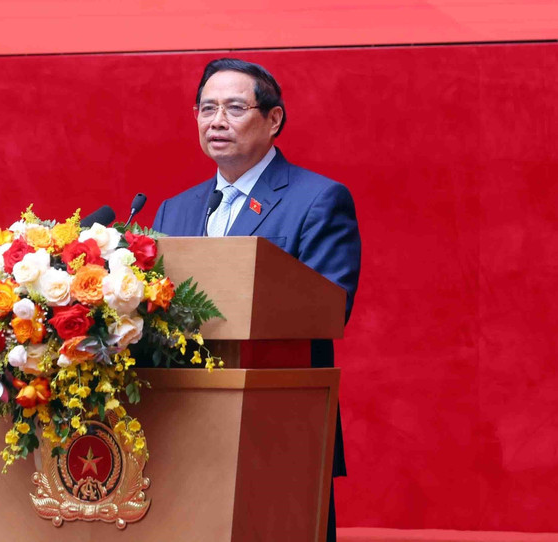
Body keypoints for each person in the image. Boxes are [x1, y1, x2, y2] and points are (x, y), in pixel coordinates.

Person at [153, 58, 361, 541]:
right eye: (206, 109)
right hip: (179, 428)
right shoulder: (174, 208)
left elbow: (327, 307)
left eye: (233, 107)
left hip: (279, 431)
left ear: (274, 119)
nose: (216, 121)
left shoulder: (318, 199)